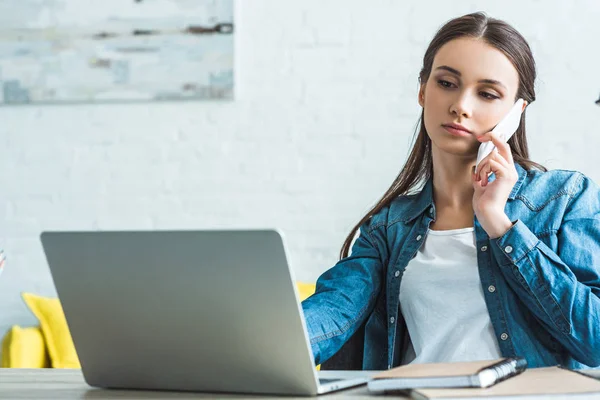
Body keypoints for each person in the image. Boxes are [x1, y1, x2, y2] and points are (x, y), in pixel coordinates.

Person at [301, 11, 600, 371]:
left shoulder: (565, 199)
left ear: (517, 112)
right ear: (422, 91)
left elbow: (594, 339)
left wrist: (501, 227)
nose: (461, 105)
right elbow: (333, 311)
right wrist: (254, 345)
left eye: (487, 93)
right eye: (446, 84)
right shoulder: (388, 227)